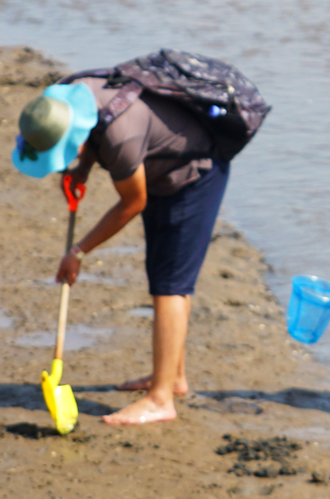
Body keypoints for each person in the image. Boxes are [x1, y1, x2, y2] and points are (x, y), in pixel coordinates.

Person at [13, 71, 230, 427]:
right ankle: (172, 378)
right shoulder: (70, 97)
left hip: (195, 171)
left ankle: (161, 400)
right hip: (159, 163)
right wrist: (82, 168)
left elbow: (133, 202)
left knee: (170, 285)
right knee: (162, 274)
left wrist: (79, 251)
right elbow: (95, 135)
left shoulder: (121, 137)